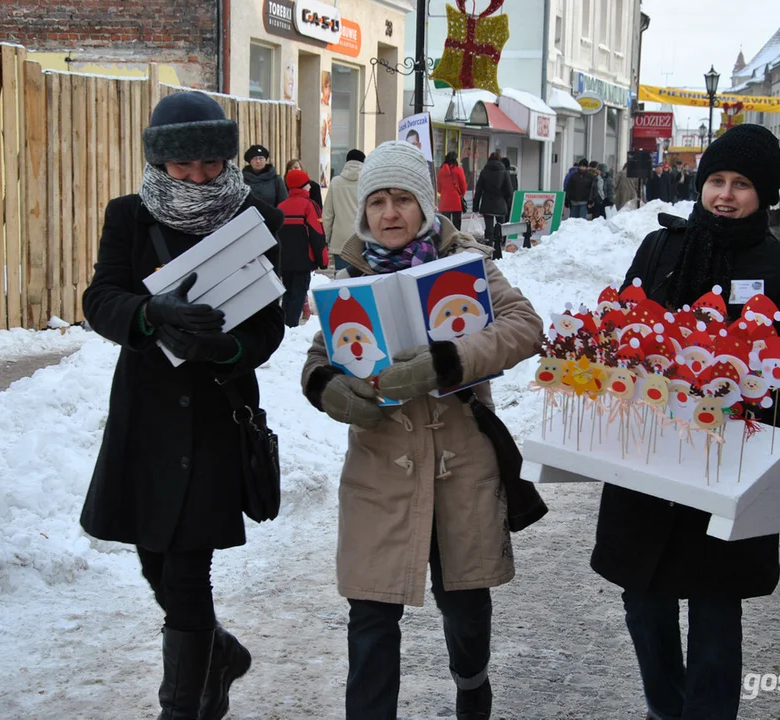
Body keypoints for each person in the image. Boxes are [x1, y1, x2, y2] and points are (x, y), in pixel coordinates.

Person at [300, 140, 543, 720]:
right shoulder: (349, 276)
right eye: (378, 201)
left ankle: (472, 689)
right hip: (379, 475)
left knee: (464, 610)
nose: (389, 213)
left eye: (403, 199)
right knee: (371, 617)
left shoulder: (470, 266)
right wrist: (328, 388)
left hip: (460, 468)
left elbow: (525, 326)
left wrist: (449, 359)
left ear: (425, 206)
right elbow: (319, 358)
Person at [591, 124, 780, 720]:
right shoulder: (661, 248)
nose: (725, 194)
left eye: (741, 184)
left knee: (716, 607)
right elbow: (622, 328)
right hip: (648, 453)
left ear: (765, 193)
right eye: (716, 181)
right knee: (643, 602)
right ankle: (667, 708)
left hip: (729, 459)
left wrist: (755, 401)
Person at [80, 91, 286, 720]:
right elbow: (100, 298)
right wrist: (149, 313)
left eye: (210, 163)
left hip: (216, 413)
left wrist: (227, 350)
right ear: (160, 162)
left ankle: (182, 707)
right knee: (154, 558)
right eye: (183, 165)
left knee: (188, 568)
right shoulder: (129, 216)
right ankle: (217, 653)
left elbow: (270, 323)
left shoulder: (257, 217)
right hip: (146, 412)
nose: (198, 176)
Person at [278, 168, 328, 327]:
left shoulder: (281, 206)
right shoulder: (309, 206)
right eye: (307, 184)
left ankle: (284, 324)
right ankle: (291, 325)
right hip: (304, 259)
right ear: (301, 186)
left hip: (284, 260)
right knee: (299, 294)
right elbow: (317, 234)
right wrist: (323, 260)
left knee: (287, 292)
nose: (310, 187)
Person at [324, 149, 366, 272]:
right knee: (361, 281)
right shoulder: (366, 182)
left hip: (340, 241)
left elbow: (328, 215)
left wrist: (325, 240)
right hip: (362, 240)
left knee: (342, 281)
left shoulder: (335, 182)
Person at [473, 151, 513, 259]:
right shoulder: (504, 172)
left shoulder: (484, 171)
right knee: (501, 228)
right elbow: (509, 191)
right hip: (500, 204)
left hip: (487, 204)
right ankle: (499, 249)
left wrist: (475, 206)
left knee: (489, 230)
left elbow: (479, 190)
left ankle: (489, 250)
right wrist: (507, 202)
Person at [437, 151, 469, 230]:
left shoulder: (440, 171)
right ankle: (456, 241)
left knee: (445, 225)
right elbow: (463, 186)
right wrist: (461, 194)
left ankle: (446, 240)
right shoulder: (459, 170)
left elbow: (439, 189)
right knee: (456, 225)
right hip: (456, 202)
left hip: (444, 203)